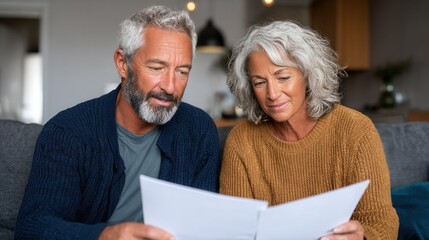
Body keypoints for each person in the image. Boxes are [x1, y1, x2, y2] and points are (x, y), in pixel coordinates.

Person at [15, 6, 220, 240]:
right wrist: (104, 236)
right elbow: (32, 229)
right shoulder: (67, 131)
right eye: (156, 68)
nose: (170, 87)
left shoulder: (199, 130)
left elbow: (204, 227)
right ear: (123, 64)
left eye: (182, 72)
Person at [219, 20, 399, 239]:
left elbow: (383, 223)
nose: (273, 94)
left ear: (307, 76)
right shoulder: (242, 141)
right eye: (259, 82)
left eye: (283, 77)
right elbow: (234, 232)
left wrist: (362, 236)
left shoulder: (356, 130)